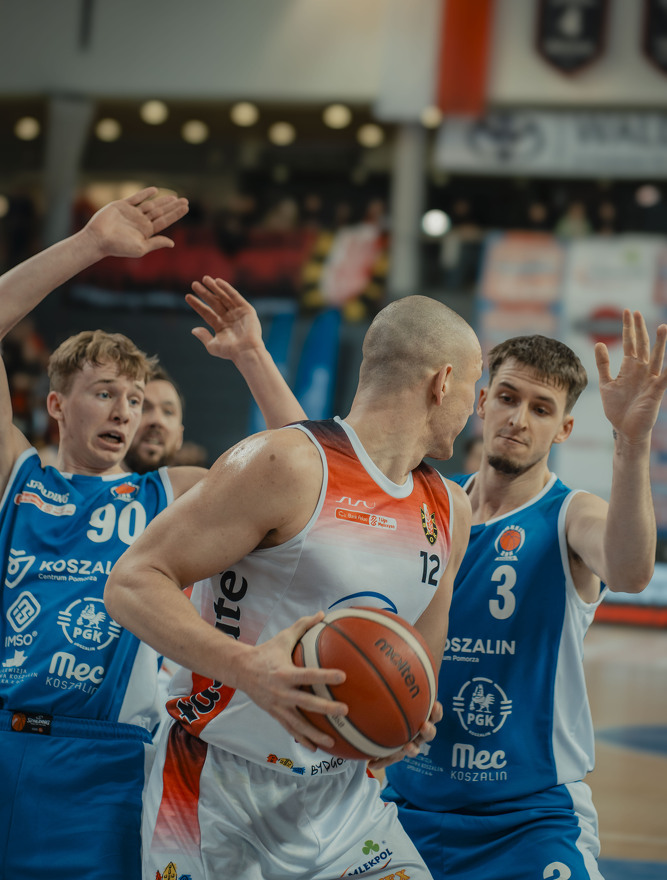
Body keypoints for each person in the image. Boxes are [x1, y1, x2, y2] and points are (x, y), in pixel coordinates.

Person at [104, 284, 483, 880]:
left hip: (345, 799)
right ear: (443, 381)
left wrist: (405, 720)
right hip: (215, 787)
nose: (473, 409)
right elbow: (130, 582)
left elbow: (419, 666)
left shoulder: (450, 509)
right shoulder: (286, 462)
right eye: (473, 389)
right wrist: (247, 668)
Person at [0, 194, 291, 880]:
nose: (124, 412)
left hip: (111, 761)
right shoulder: (18, 475)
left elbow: (301, 470)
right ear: (56, 405)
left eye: (134, 400)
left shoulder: (171, 493)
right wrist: (88, 246)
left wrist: (252, 356)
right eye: (105, 392)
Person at [381, 316, 667, 880]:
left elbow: (631, 572)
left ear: (564, 429)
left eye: (541, 409)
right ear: (482, 402)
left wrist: (632, 444)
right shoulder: (429, 507)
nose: (518, 419)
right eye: (509, 398)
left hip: (528, 819)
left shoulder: (569, 514)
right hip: (403, 806)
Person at [123, 365, 185, 474]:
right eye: (143, 408)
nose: (157, 420)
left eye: (168, 411)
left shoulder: (200, 483)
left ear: (180, 437)